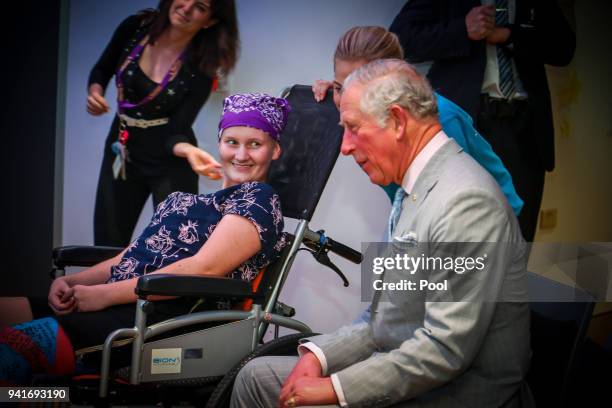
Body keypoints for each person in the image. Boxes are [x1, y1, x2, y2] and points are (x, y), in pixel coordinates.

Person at [231, 60, 532, 407]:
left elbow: (444, 350)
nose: (344, 147)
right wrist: (317, 356)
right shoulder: (414, 188)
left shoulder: (466, 203)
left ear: (399, 121)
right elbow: (381, 318)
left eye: (353, 128)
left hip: (457, 393)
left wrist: (335, 389)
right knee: (254, 377)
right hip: (406, 360)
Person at [0, 93, 290, 385]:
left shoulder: (259, 200)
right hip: (122, 299)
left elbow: (205, 269)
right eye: (232, 142)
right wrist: (75, 282)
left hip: (159, 317)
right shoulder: (193, 201)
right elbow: (132, 254)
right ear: (219, 144)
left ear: (275, 150)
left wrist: (102, 295)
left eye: (255, 144)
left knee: (13, 350)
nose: (241, 155)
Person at [389, 0, 576, 241]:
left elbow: (564, 47)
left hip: (524, 127)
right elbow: (400, 38)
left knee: (517, 233)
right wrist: (461, 29)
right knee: (454, 230)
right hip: (465, 124)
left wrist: (511, 35)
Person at [312, 26, 523, 215]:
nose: (345, 98)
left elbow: (461, 202)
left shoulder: (442, 120)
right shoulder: (360, 110)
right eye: (340, 87)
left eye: (357, 87)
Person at [88, 0, 240, 247]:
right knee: (107, 243)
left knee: (175, 246)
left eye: (200, 6)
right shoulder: (136, 27)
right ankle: (102, 288)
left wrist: (190, 151)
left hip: (169, 159)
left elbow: (176, 129)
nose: (186, 7)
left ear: (210, 21)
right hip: (122, 148)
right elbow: (102, 69)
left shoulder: (202, 66)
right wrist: (95, 92)